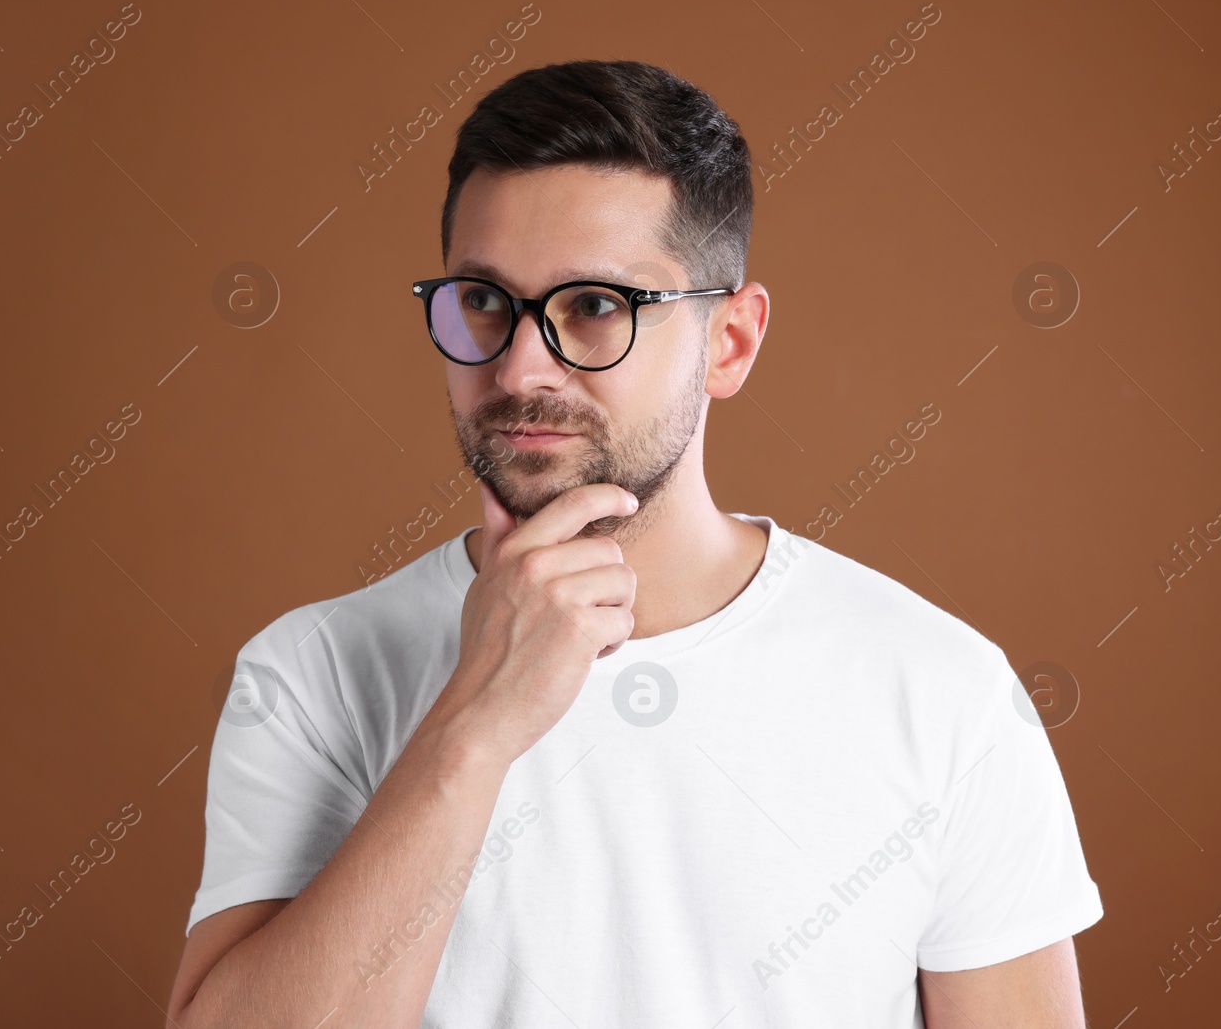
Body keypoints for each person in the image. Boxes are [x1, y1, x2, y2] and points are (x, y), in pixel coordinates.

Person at [166, 59, 1102, 1028]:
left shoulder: (941, 687)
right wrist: (476, 727)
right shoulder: (311, 671)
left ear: (728, 342)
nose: (522, 364)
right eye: (484, 300)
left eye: (597, 306)